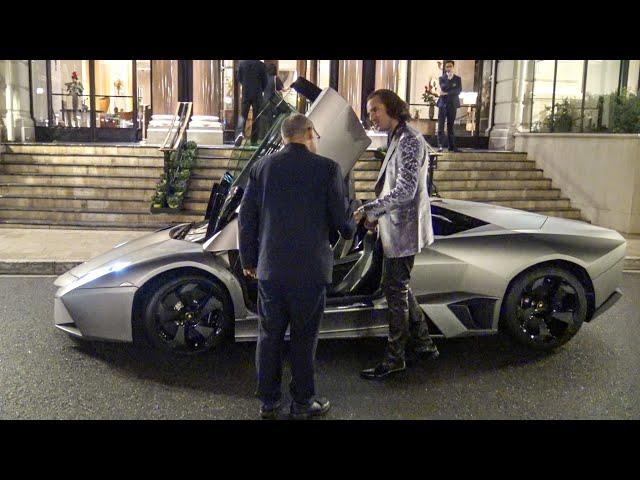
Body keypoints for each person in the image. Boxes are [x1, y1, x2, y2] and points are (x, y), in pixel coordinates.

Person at [239, 113, 357, 419]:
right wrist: (352, 217)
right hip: (310, 271)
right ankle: (303, 402)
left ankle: (268, 402)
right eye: (315, 135)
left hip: (271, 269)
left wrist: (249, 260)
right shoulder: (328, 169)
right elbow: (343, 225)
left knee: (269, 336)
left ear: (283, 137)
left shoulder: (261, 168)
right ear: (307, 133)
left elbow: (246, 218)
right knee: (305, 338)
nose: (316, 140)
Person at [354, 89, 439, 380]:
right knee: (399, 286)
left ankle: (395, 358)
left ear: (391, 107)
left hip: (404, 229)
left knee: (396, 293)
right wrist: (377, 215)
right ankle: (425, 345)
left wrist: (370, 209)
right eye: (369, 112)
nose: (371, 116)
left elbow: (405, 191)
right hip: (396, 226)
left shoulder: (410, 140)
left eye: (375, 110)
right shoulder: (398, 137)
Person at [235, 60, 268, 145]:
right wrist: (261, 88)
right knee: (256, 117)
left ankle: (239, 134)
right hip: (257, 93)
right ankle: (254, 140)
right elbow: (265, 81)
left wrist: (245, 84)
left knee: (243, 115)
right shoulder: (261, 65)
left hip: (246, 92)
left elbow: (239, 78)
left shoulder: (242, 64)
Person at [437, 60, 462, 152]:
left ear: (453, 67)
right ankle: (440, 145)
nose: (448, 68)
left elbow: (458, 91)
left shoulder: (458, 79)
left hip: (452, 104)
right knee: (441, 125)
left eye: (450, 66)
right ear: (445, 68)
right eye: (447, 66)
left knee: (450, 126)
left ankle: (452, 146)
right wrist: (449, 80)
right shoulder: (442, 78)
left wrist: (447, 93)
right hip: (442, 104)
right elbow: (443, 87)